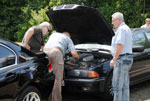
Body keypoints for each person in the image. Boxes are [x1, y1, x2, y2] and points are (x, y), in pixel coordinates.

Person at [44, 32, 79, 101]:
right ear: (68, 36)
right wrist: (78, 59)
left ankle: (47, 97)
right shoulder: (68, 38)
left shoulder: (54, 34)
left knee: (47, 76)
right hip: (56, 53)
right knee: (58, 79)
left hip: (45, 53)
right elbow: (74, 54)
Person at [110, 12, 133, 101]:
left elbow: (120, 45)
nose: (112, 23)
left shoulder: (122, 29)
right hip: (127, 59)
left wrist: (114, 59)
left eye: (113, 21)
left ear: (119, 20)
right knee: (124, 86)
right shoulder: (127, 28)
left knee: (117, 86)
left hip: (122, 59)